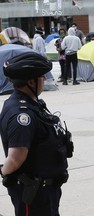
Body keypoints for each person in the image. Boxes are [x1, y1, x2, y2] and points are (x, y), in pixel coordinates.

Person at [0, 52, 74, 216]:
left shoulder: (33, 104)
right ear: (31, 81)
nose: (44, 80)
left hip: (46, 191)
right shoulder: (21, 115)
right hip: (34, 194)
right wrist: (4, 172)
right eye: (42, 77)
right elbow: (15, 157)